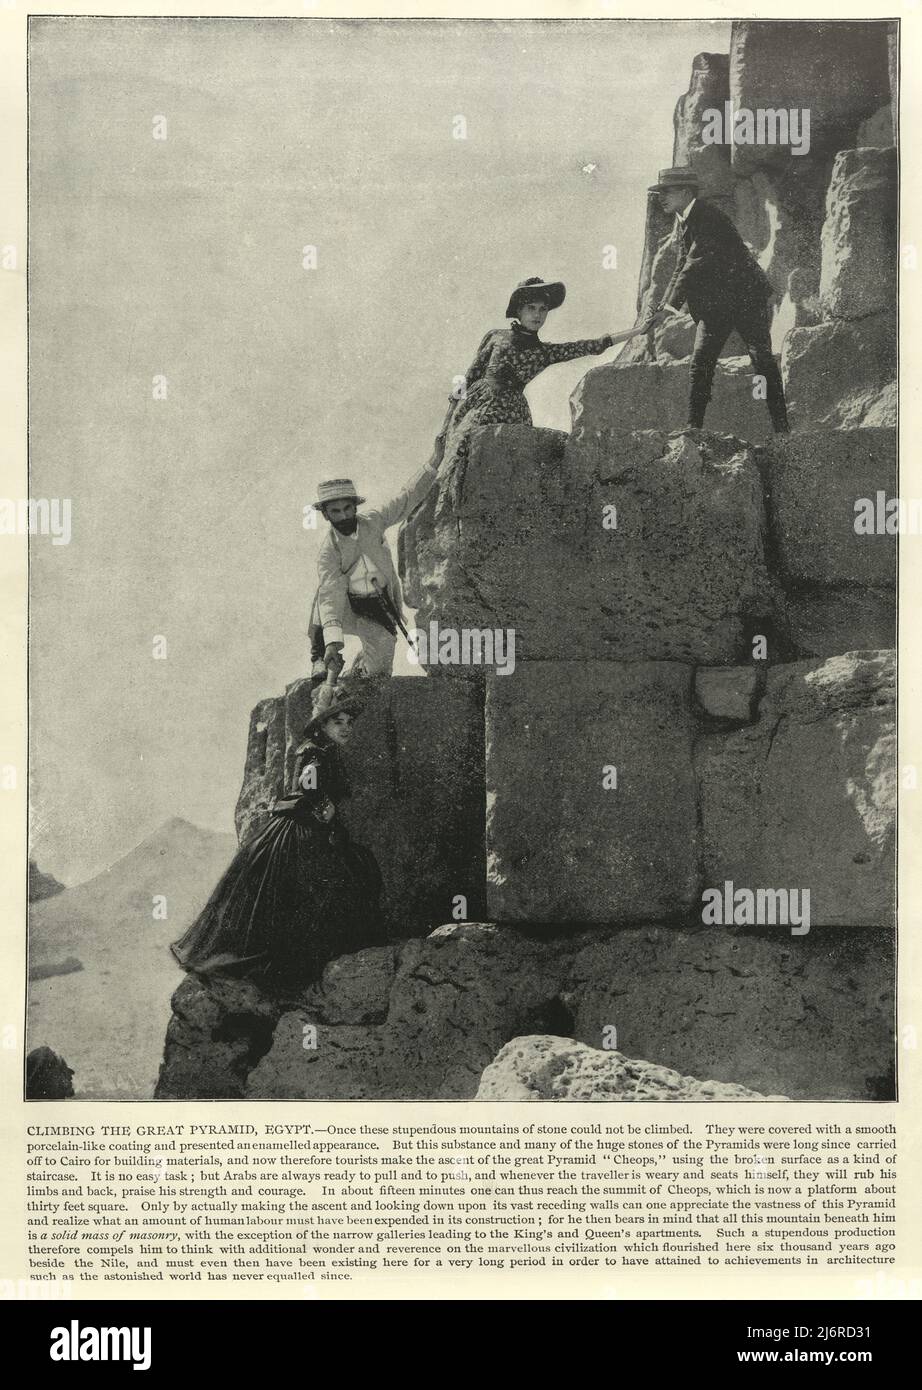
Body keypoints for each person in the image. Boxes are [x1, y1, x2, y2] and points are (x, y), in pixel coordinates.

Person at [170, 691, 383, 992]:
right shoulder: (315, 752)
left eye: (349, 722)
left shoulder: (324, 749)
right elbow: (308, 786)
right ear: (322, 725)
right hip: (302, 831)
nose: (346, 727)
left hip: (308, 827)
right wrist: (324, 807)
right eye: (338, 722)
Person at [437, 276, 622, 512]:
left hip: (513, 413)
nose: (538, 315)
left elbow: (592, 346)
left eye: (543, 310)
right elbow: (470, 375)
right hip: (476, 405)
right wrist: (447, 422)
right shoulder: (496, 337)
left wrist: (640, 329)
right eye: (531, 308)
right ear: (519, 310)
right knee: (457, 455)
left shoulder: (543, 352)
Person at [639, 167, 789, 434]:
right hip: (716, 307)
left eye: (667, 192)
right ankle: (693, 427)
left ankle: (782, 429)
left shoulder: (707, 217)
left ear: (686, 192)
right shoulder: (686, 220)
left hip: (746, 299)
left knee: (761, 359)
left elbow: (692, 265)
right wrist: (663, 306)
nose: (661, 197)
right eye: (660, 192)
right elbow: (680, 266)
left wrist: (670, 307)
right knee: (701, 362)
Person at [307, 440, 443, 685]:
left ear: (355, 507)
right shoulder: (329, 552)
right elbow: (332, 596)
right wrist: (332, 644)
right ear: (326, 515)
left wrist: (434, 462)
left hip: (377, 604)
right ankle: (318, 655)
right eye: (335, 511)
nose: (344, 516)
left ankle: (361, 669)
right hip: (349, 603)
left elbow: (405, 499)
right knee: (321, 599)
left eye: (348, 508)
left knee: (379, 670)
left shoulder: (373, 521)